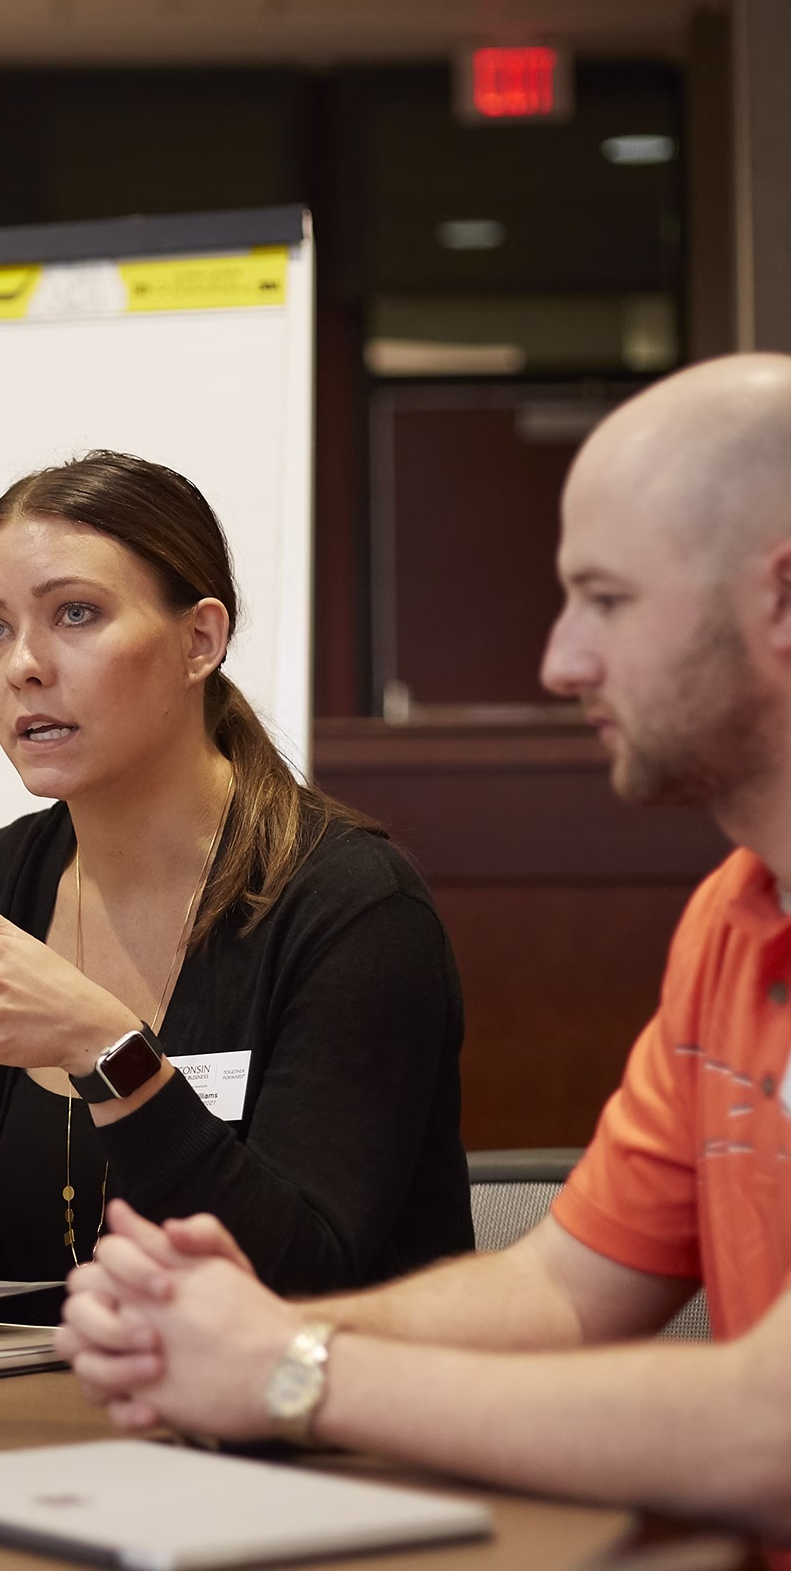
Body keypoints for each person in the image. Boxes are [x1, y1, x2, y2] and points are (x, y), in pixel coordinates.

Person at [55, 355, 791, 1546]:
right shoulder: (734, 916)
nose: (562, 662)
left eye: (606, 599)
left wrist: (293, 1366)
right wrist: (210, 1325)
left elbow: (773, 1429)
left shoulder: (347, 898)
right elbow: (557, 1290)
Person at [0, 452, 470, 1301]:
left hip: (305, 1417)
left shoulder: (349, 907)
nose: (23, 664)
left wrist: (108, 1052)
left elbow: (300, 1274)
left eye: (77, 614)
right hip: (40, 1421)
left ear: (200, 639)